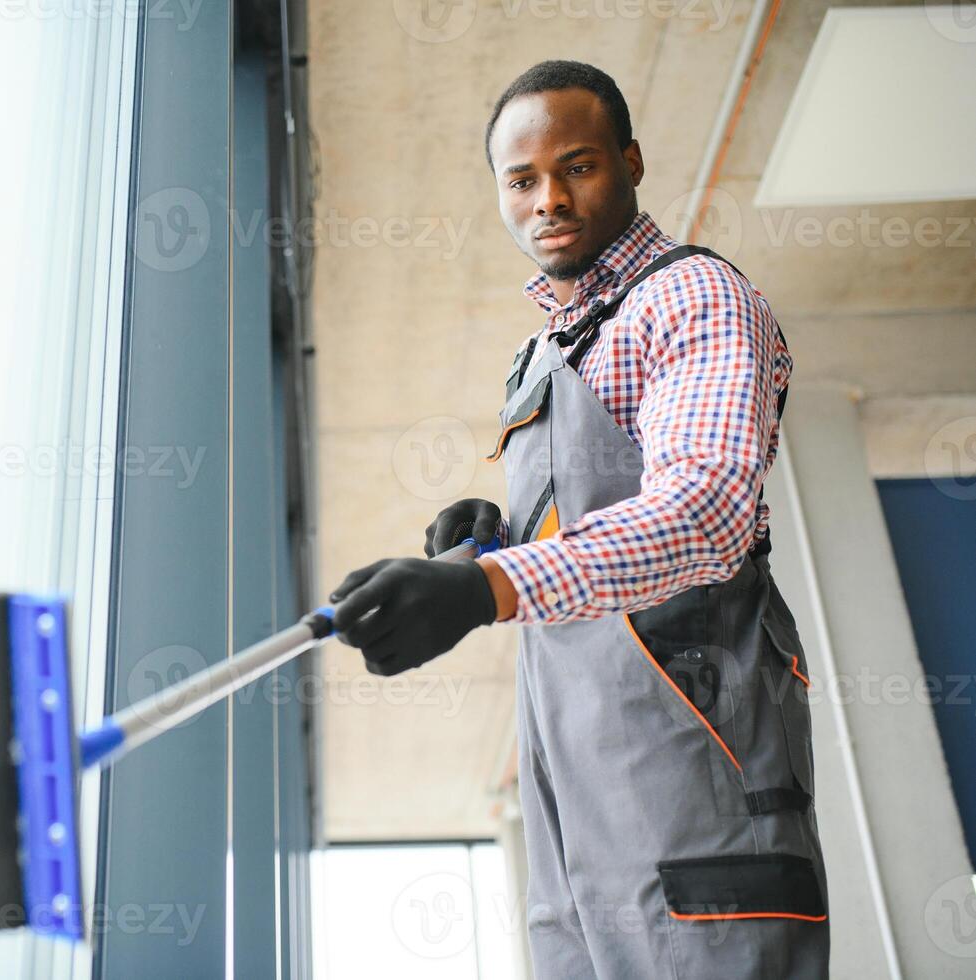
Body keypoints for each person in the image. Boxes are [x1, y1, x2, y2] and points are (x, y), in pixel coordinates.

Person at [327, 60, 830, 978]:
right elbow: (602, 518)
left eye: (578, 166)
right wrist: (501, 532)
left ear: (631, 162)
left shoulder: (690, 296)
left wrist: (487, 586)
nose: (547, 199)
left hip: (695, 783)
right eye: (520, 181)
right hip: (573, 791)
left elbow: (704, 511)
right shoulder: (539, 351)